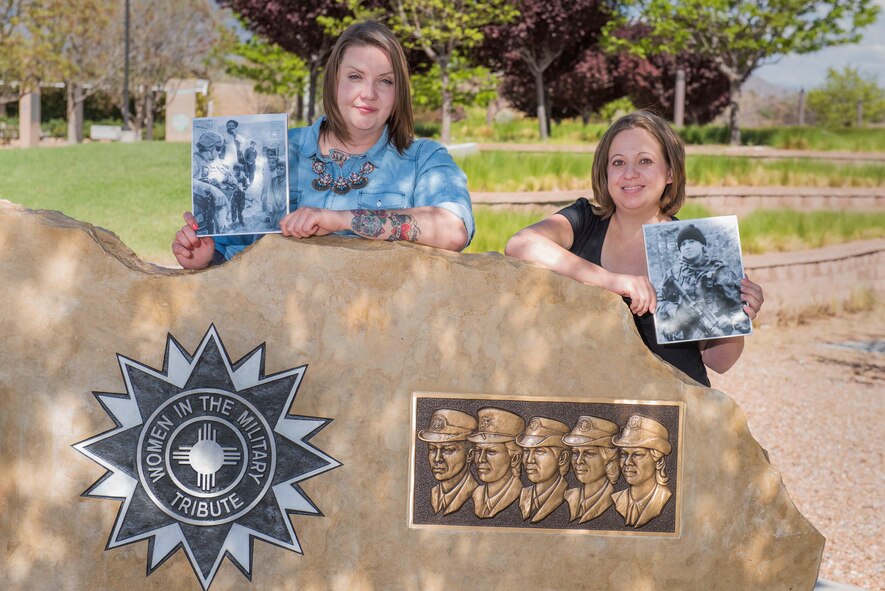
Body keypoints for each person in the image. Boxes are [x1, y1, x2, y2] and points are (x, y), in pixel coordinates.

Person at [172, 21, 474, 269]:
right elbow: (231, 259)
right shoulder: (274, 150)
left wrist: (339, 219)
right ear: (333, 82)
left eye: (385, 81)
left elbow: (453, 230)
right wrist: (206, 256)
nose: (368, 93)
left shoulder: (423, 159)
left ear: (399, 93)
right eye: (355, 76)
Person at [504, 111, 763, 386]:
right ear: (605, 172)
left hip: (672, 409)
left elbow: (719, 362)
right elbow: (521, 244)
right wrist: (612, 281)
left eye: (645, 161)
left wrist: (738, 314)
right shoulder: (583, 221)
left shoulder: (691, 243)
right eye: (618, 162)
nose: (630, 174)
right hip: (593, 409)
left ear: (671, 173)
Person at [656, 223, 750, 341]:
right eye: (683, 244)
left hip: (716, 338)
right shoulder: (672, 274)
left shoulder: (721, 272)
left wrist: (728, 322)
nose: (687, 247)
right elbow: (658, 301)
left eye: (691, 241)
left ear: (702, 244)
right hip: (680, 343)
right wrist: (675, 311)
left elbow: (739, 308)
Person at [611, 415, 673, 528]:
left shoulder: (664, 497)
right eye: (624, 454)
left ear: (658, 461)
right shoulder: (617, 499)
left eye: (638, 454)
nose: (627, 462)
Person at [417, 409, 478, 515]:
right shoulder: (430, 494)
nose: (437, 458)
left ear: (470, 455)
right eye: (432, 449)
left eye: (448, 450)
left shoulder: (476, 497)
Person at [467, 407, 525, 519]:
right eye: (478, 450)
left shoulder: (522, 498)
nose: (480, 459)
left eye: (491, 451)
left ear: (515, 459)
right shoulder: (475, 494)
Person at [562, 416, 620, 524]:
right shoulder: (568, 497)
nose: (579, 461)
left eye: (589, 453)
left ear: (608, 458)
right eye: (575, 453)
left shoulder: (616, 501)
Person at [516, 416, 571, 523]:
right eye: (526, 451)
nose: (529, 460)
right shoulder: (523, 494)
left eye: (539, 451)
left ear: (562, 458)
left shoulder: (569, 498)